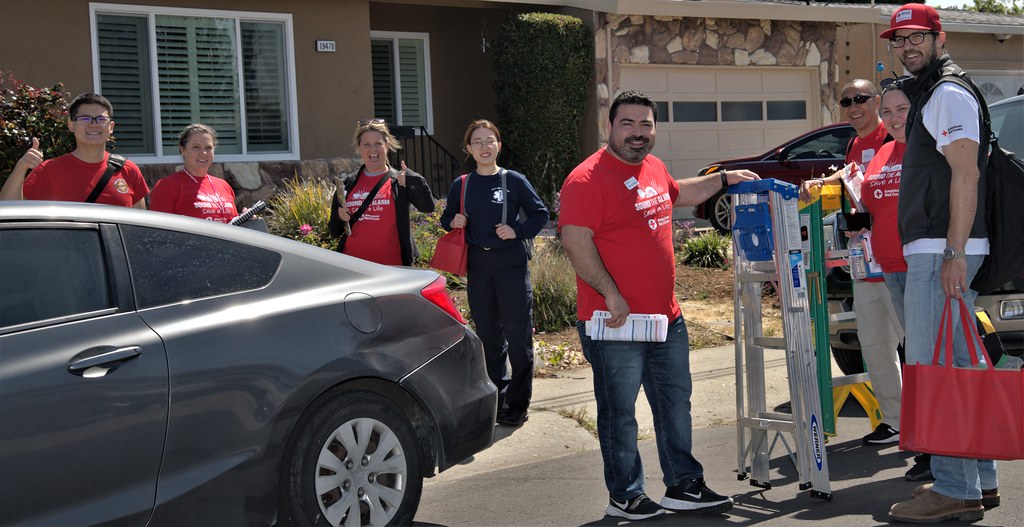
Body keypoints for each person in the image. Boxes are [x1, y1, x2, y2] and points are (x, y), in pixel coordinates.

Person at [558, 90, 758, 521]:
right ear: (609, 127)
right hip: (614, 321)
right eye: (627, 123)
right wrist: (611, 292)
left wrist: (725, 178)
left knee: (674, 404)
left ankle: (684, 485)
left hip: (665, 319)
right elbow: (575, 241)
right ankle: (625, 495)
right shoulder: (586, 180)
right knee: (620, 413)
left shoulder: (653, 167)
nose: (638, 132)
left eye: (645, 124)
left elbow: (678, 192)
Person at [880, 4, 997, 523]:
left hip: (940, 252)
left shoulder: (947, 91)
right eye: (899, 39)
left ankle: (953, 488)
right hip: (938, 250)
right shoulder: (933, 90)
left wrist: (953, 252)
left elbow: (966, 174)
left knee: (936, 372)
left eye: (917, 37)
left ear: (939, 37)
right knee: (962, 368)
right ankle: (979, 480)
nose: (907, 47)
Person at [801, 78, 905, 449]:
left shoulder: (894, 138)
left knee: (916, 347)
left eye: (860, 99)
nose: (853, 106)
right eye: (846, 101)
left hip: (899, 264)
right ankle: (895, 421)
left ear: (876, 102)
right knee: (874, 346)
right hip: (864, 263)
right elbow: (853, 181)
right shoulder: (853, 145)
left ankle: (931, 426)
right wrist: (820, 185)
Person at [439, 120, 548, 427]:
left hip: (511, 265)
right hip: (479, 266)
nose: (484, 147)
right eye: (478, 142)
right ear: (469, 148)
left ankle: (518, 403)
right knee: (488, 336)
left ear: (499, 145)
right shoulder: (462, 184)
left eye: (490, 141)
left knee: (517, 336)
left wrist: (517, 230)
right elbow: (446, 218)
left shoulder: (514, 180)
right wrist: (453, 221)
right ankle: (498, 398)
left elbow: (540, 213)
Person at [0, 93, 148, 207]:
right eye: (85, 119)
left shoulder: (128, 170)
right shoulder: (49, 170)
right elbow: (9, 209)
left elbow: (140, 225)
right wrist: (21, 168)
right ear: (71, 125)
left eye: (101, 119)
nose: (93, 124)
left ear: (111, 127)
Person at [328, 119, 434, 266]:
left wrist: (414, 179)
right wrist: (339, 218)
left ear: (387, 145)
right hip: (353, 266)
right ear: (359, 148)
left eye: (378, 143)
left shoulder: (399, 181)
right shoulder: (348, 183)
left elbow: (427, 207)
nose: (373, 149)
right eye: (366, 144)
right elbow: (334, 231)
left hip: (391, 268)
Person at [149, 124, 237, 222]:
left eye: (208, 147)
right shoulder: (167, 186)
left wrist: (244, 218)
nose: (203, 153)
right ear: (182, 150)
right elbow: (157, 228)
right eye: (196, 147)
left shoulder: (223, 185)